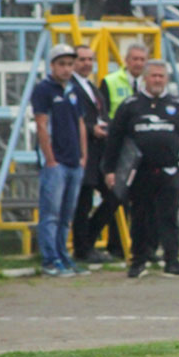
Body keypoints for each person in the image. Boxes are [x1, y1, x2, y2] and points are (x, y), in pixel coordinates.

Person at [104, 60, 179, 279]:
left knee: (168, 218)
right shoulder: (130, 105)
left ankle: (172, 261)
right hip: (140, 172)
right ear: (145, 77)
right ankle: (138, 261)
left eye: (161, 76)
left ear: (167, 79)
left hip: (170, 172)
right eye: (153, 76)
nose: (157, 80)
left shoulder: (178, 106)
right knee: (140, 217)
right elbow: (114, 140)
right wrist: (110, 170)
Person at [33, 44, 87, 278]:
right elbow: (42, 125)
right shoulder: (44, 90)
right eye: (62, 64)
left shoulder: (74, 90)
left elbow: (81, 124)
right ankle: (50, 259)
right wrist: (50, 159)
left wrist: (83, 155)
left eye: (69, 64)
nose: (66, 69)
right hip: (57, 163)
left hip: (75, 161)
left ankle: (64, 255)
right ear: (52, 65)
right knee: (51, 214)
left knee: (66, 215)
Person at [71, 45, 118, 265]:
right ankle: (82, 249)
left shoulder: (92, 86)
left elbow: (102, 114)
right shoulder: (70, 87)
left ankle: (88, 239)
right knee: (83, 202)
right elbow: (70, 119)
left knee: (116, 194)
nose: (87, 63)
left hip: (99, 153)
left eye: (90, 59)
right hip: (82, 152)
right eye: (82, 59)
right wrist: (91, 129)